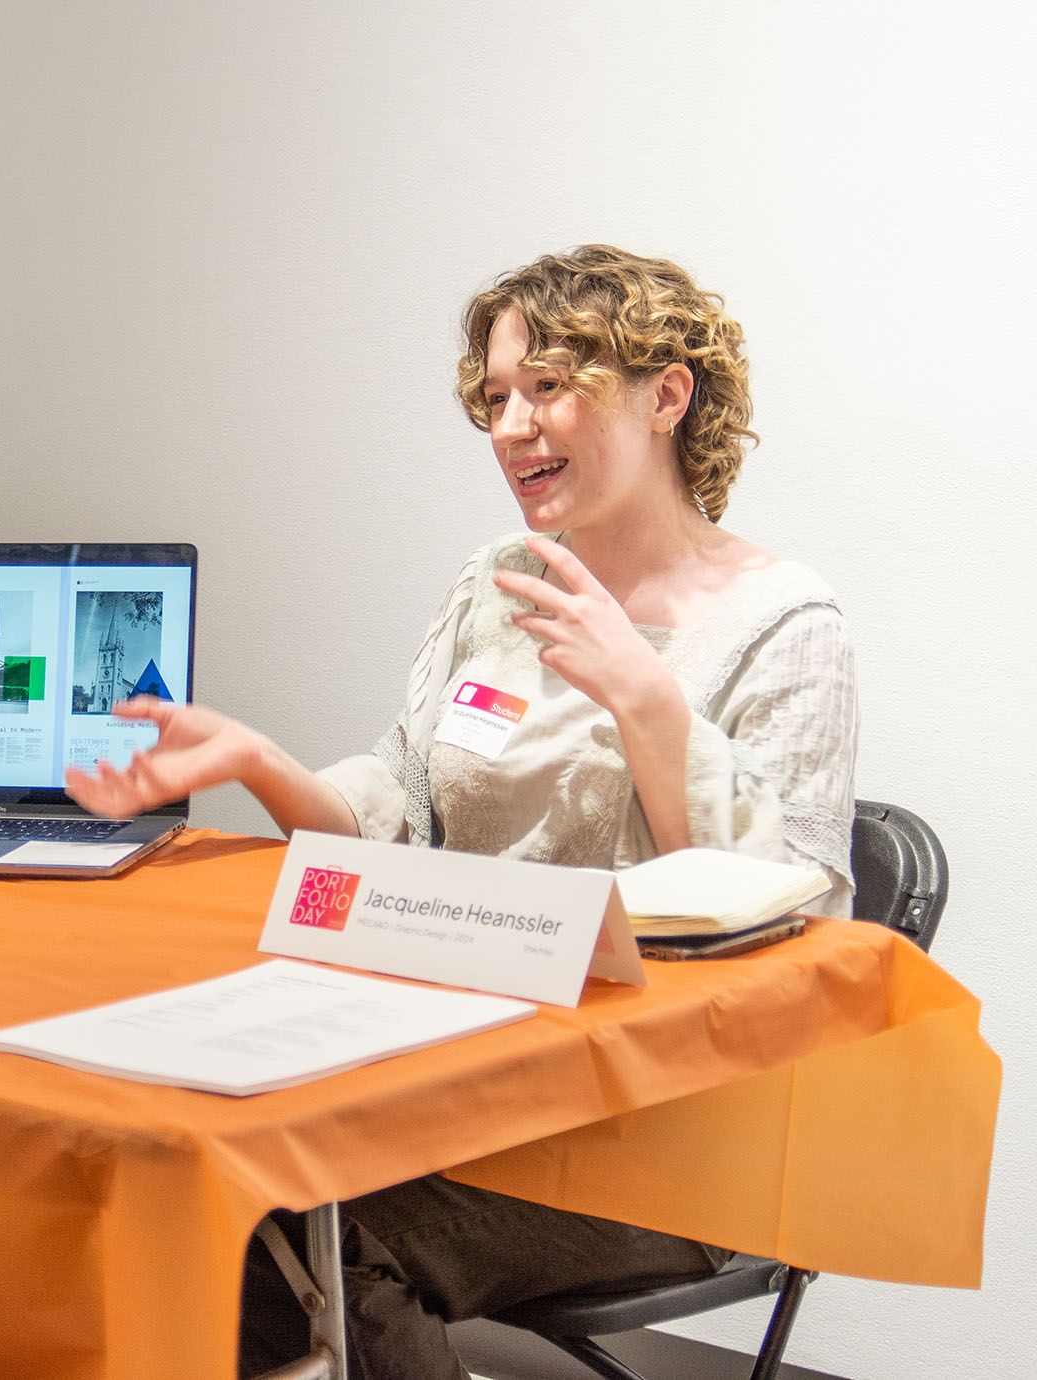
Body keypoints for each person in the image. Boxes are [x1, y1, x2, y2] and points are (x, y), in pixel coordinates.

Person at [65, 245, 858, 1379]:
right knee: (189, 1167)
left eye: (547, 386)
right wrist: (258, 759)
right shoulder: (501, 580)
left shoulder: (784, 623)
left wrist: (644, 698)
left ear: (665, 395)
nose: (510, 427)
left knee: (295, 1234)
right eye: (494, 398)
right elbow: (404, 812)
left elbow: (796, 922)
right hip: (462, 1065)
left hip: (665, 1125)